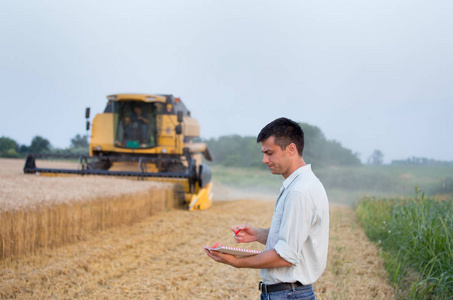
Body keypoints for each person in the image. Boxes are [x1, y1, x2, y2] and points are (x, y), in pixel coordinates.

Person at [204, 117, 329, 300]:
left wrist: (237, 262)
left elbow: (285, 256)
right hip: (288, 293)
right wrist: (258, 234)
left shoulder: (299, 192)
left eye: (270, 153)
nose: (264, 160)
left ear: (291, 149)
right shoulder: (301, 185)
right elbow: (294, 238)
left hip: (288, 295)